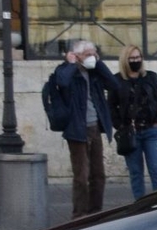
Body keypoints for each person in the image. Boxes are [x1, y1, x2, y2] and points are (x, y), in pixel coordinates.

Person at [40, 38, 123, 217]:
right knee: (81, 176)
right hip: (77, 129)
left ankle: (95, 211)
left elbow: (114, 85)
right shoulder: (66, 71)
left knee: (98, 174)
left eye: (93, 54)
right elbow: (62, 82)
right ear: (77, 56)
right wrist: (71, 64)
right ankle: (79, 214)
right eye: (87, 55)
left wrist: (99, 64)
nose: (91, 57)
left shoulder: (94, 73)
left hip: (95, 127)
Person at [111, 47, 157, 198]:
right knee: (136, 173)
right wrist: (120, 126)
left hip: (152, 131)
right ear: (125, 60)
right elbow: (110, 106)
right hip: (131, 133)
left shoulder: (151, 77)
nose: (136, 61)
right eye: (132, 58)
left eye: (138, 57)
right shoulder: (117, 80)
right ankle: (140, 206)